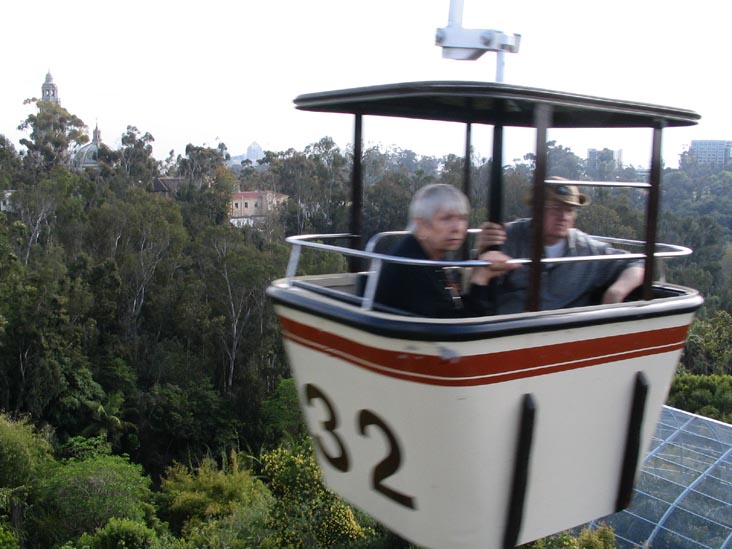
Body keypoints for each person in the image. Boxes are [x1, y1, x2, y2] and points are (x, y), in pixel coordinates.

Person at [477, 181, 645, 314]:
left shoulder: (586, 249)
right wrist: (482, 251)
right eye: (555, 208)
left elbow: (637, 264)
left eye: (569, 210)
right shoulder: (508, 237)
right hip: (507, 337)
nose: (563, 217)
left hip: (562, 340)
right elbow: (476, 285)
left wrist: (616, 292)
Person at [374, 183, 517, 317]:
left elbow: (453, 307)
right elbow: (454, 331)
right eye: (446, 218)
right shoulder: (412, 266)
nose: (457, 228)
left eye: (462, 218)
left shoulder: (426, 254)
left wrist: (480, 256)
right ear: (422, 225)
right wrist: (480, 278)